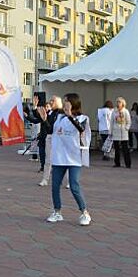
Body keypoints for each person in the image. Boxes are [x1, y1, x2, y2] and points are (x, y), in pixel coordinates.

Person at [39, 93, 92, 226]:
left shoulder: (82, 118)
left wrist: (70, 116)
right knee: (55, 186)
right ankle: (57, 211)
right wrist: (45, 120)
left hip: (74, 158)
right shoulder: (60, 118)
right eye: (63, 102)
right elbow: (52, 131)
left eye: (66, 101)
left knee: (74, 186)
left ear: (73, 103)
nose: (64, 104)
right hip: (59, 157)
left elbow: (81, 129)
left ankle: (84, 212)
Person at [110, 97, 132, 168]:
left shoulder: (126, 111)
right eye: (117, 102)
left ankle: (128, 164)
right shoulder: (114, 111)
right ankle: (117, 163)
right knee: (116, 149)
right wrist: (111, 131)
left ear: (123, 104)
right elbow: (111, 122)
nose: (118, 104)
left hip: (124, 133)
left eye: (119, 102)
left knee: (125, 149)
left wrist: (126, 128)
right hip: (116, 132)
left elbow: (129, 121)